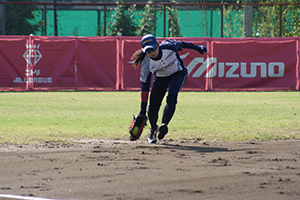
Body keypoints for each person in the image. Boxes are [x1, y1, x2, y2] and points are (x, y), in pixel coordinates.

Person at [131, 34, 207, 144]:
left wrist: (198, 48)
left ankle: (164, 125)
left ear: (157, 45)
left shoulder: (168, 46)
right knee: (152, 109)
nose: (151, 52)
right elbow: (145, 88)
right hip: (160, 78)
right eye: (148, 51)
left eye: (153, 48)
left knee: (172, 96)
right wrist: (142, 110)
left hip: (177, 73)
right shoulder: (146, 63)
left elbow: (183, 44)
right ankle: (153, 130)